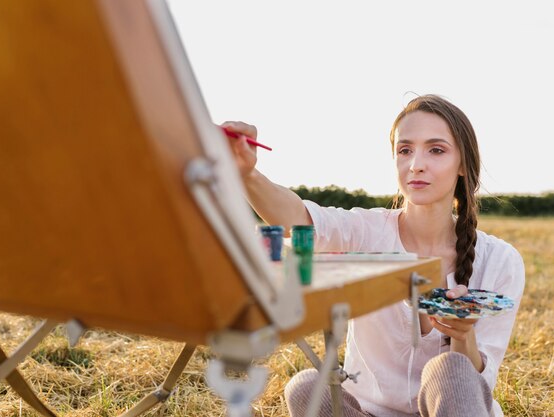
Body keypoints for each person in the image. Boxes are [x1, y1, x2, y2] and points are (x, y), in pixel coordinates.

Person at [222, 94, 525, 417]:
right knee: (307, 387)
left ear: (463, 164)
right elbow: (297, 220)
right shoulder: (365, 231)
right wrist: (246, 174)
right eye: (405, 150)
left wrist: (463, 335)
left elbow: (478, 383)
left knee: (450, 367)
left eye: (436, 150)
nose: (416, 164)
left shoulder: (501, 261)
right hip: (368, 411)